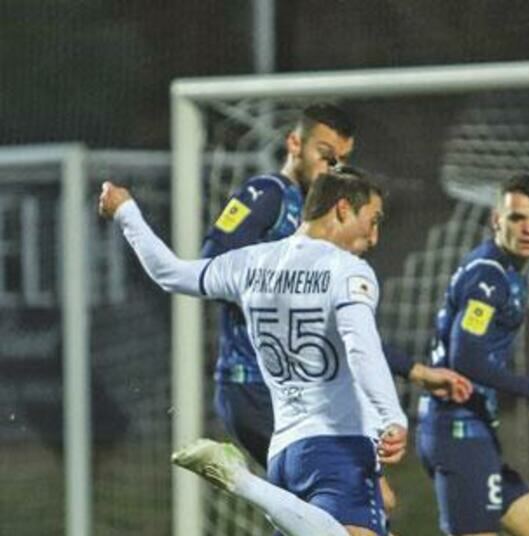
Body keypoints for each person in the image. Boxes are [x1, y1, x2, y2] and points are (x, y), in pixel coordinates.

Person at [99, 170, 441, 536]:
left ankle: (252, 486)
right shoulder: (346, 270)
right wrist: (392, 415)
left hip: (285, 454)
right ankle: (241, 481)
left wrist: (126, 213)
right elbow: (361, 347)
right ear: (342, 209)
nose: (374, 238)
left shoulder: (252, 263)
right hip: (339, 445)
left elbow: (170, 273)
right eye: (372, 222)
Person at [417, 174, 529, 536]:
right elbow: (466, 357)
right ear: (497, 219)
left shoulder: (505, 271)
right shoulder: (488, 279)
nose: (528, 229)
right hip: (457, 430)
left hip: (473, 426)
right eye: (517, 218)